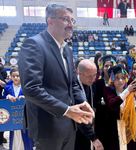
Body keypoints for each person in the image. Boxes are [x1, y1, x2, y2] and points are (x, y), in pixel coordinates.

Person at [18, 4, 94, 150]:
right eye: (66, 19)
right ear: (50, 20)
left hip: (69, 126)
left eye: (72, 21)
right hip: (47, 128)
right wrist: (66, 110)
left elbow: (73, 83)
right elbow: (31, 89)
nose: (71, 24)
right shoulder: (34, 44)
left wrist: (83, 102)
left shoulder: (67, 49)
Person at [75, 59, 104, 150]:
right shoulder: (73, 88)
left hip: (87, 129)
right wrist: (93, 138)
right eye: (89, 76)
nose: (93, 78)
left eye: (95, 75)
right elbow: (80, 116)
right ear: (79, 73)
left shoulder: (91, 84)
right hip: (75, 131)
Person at [3, 67, 33, 150]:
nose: (16, 78)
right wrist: (7, 96)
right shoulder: (7, 88)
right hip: (13, 117)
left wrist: (26, 97)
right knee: (14, 135)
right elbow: (2, 99)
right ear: (11, 77)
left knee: (26, 135)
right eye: (13, 76)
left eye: (18, 76)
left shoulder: (27, 87)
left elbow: (33, 98)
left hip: (25, 116)